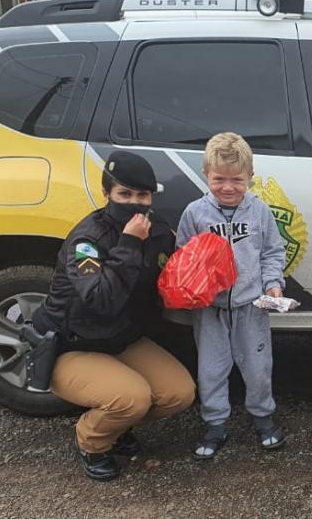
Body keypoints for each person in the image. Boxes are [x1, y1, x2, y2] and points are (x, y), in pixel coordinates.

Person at [30, 151, 196, 482]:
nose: (134, 203)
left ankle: (117, 428)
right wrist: (130, 243)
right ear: (107, 194)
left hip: (120, 338)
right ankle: (91, 440)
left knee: (180, 393)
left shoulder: (158, 229)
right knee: (132, 398)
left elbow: (174, 274)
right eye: (124, 194)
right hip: (72, 345)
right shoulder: (87, 240)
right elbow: (101, 300)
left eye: (142, 195)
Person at [177, 132, 287, 459]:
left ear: (250, 178)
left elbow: (272, 252)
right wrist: (193, 285)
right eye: (219, 179)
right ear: (206, 176)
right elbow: (182, 256)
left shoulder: (260, 212)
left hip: (251, 306)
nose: (228, 187)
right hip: (209, 309)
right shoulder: (195, 213)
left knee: (257, 365)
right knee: (211, 368)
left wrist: (272, 284)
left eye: (237, 180)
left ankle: (264, 417)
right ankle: (214, 425)